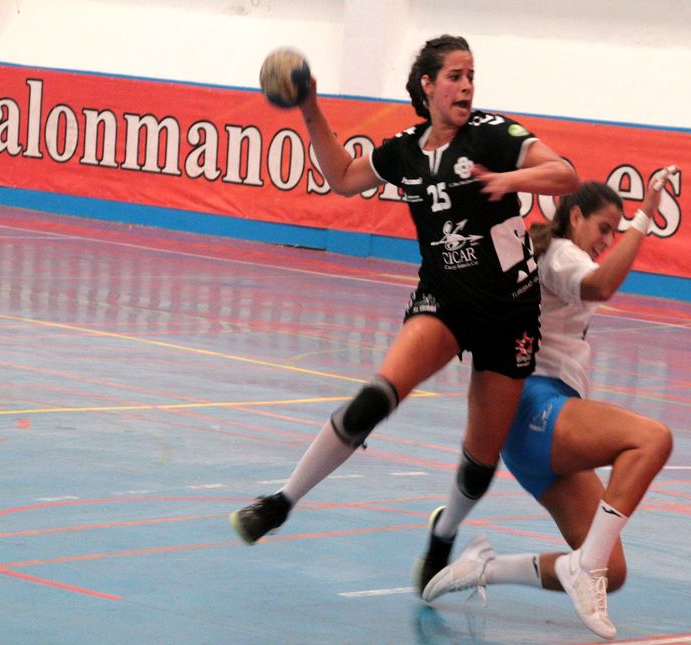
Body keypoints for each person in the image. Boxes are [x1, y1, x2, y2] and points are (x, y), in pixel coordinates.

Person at [229, 33, 580, 593]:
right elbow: (342, 177)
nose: (466, 86)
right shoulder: (405, 150)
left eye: (471, 76)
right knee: (377, 395)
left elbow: (565, 175)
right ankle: (281, 501)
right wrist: (311, 107)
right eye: (454, 76)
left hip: (511, 310)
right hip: (444, 298)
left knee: (479, 460)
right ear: (427, 86)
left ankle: (444, 534)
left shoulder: (493, 134)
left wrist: (509, 180)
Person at [421, 171, 677, 641]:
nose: (607, 239)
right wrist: (644, 216)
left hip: (542, 432)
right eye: (604, 227)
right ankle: (585, 566)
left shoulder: (556, 255)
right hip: (537, 406)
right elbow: (601, 285)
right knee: (651, 439)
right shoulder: (562, 253)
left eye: (613, 232)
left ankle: (487, 567)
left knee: (611, 573)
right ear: (574, 215)